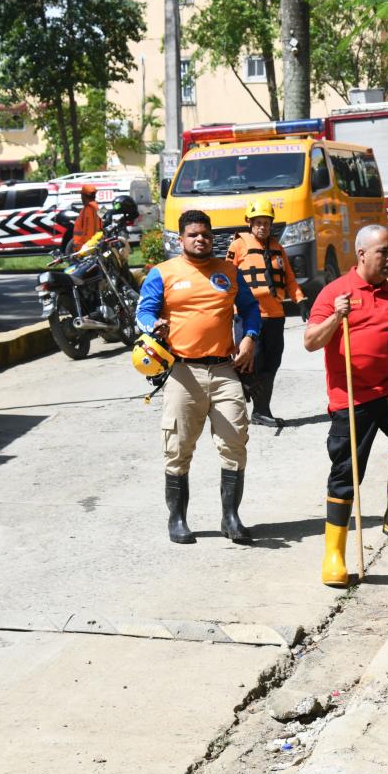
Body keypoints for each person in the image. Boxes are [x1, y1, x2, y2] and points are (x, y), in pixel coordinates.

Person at [136, 209, 262, 545]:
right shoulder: (163, 273)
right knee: (177, 447)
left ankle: (231, 518)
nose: (200, 239)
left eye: (205, 234)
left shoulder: (229, 271)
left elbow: (251, 309)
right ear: (181, 240)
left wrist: (249, 336)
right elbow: (144, 311)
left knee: (235, 442)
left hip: (224, 370)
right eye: (193, 234)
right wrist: (153, 326)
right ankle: (177, 520)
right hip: (182, 371)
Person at [303, 223, 388, 587]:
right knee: (346, 473)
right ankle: (334, 555)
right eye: (384, 252)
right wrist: (337, 316)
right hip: (351, 399)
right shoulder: (335, 293)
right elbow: (311, 341)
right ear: (362, 254)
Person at [230, 199, 306, 427]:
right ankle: (237, 398)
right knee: (249, 362)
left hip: (275, 315)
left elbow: (289, 278)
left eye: (266, 222)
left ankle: (261, 411)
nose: (263, 227)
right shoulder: (238, 246)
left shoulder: (277, 248)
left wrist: (300, 299)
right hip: (248, 315)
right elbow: (227, 278)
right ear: (249, 223)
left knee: (271, 363)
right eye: (258, 222)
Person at [71, 184, 101, 252]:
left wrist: (86, 247)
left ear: (84, 196)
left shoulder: (89, 209)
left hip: (85, 247)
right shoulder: (96, 206)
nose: (81, 197)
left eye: (81, 195)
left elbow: (89, 230)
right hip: (91, 245)